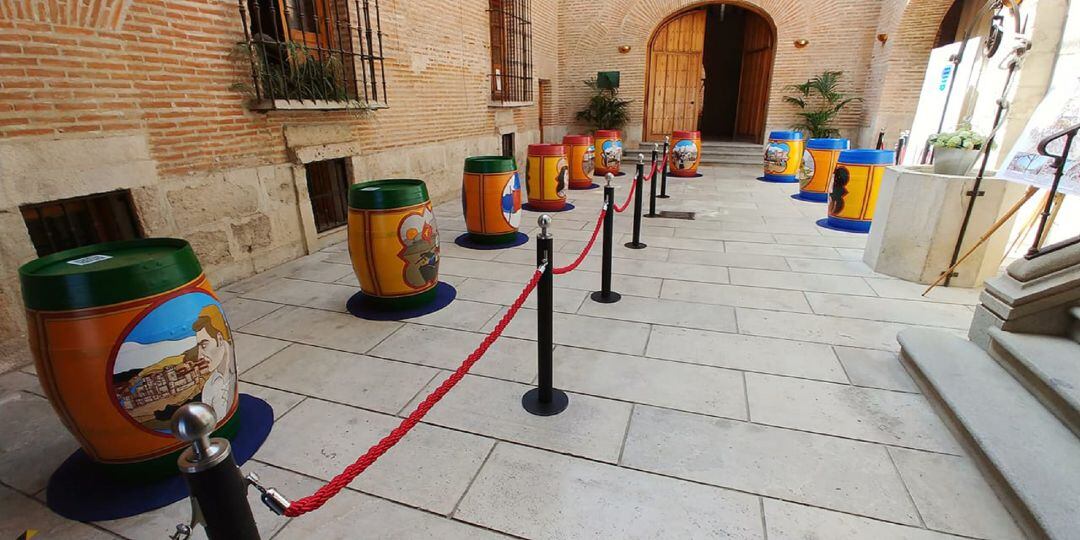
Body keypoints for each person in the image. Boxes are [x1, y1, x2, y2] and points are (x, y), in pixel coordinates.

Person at [192, 306, 235, 419]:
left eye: (204, 345)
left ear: (220, 339)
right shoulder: (209, 389)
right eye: (199, 347)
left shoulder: (232, 368)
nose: (200, 355)